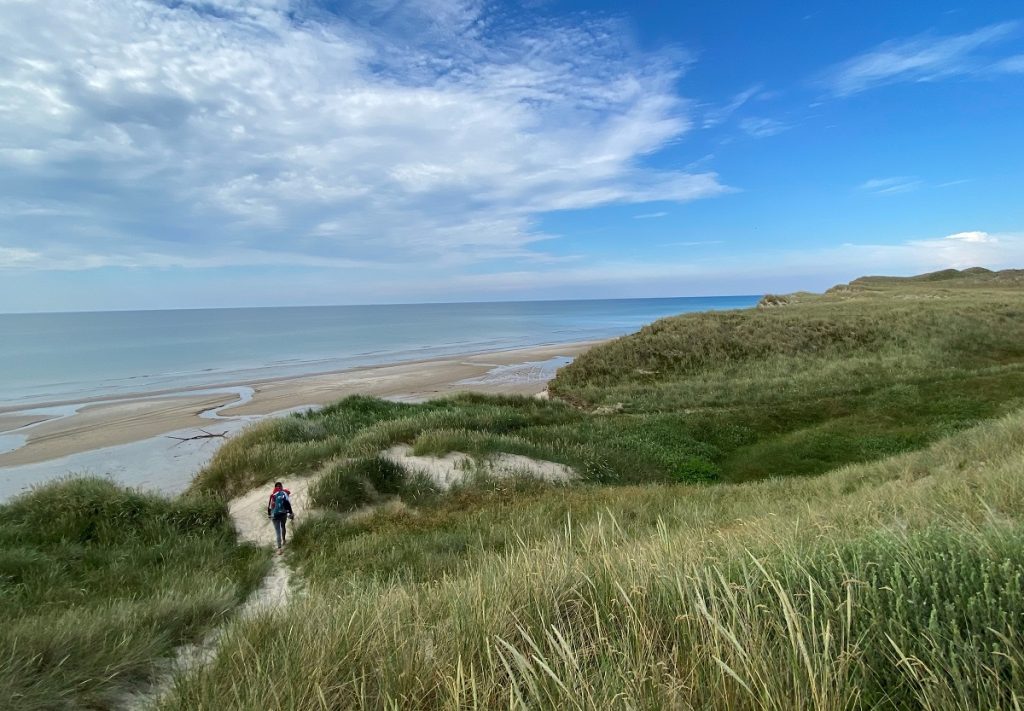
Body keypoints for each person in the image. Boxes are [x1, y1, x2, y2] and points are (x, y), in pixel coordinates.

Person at [267, 481, 294, 553]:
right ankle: (284, 540)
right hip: (283, 514)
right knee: (283, 526)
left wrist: (269, 515)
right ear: (281, 487)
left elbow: (269, 507)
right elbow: (288, 503)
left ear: (275, 487)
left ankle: (279, 549)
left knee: (277, 532)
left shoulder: (272, 495)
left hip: (274, 515)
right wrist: (290, 513)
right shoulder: (284, 493)